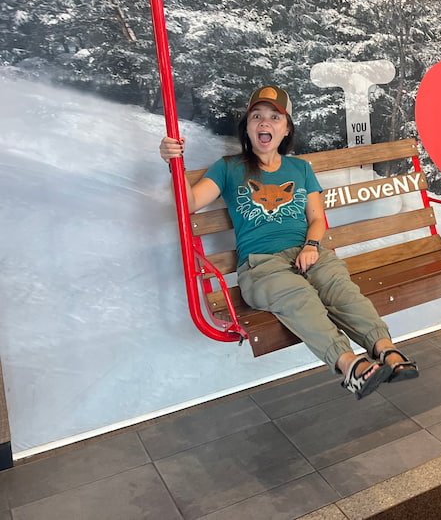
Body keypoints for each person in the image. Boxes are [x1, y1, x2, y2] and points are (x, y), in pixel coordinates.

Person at [159, 85, 418, 399]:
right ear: (247, 127)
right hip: (261, 266)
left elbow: (317, 219)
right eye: (256, 116)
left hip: (308, 253)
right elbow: (188, 204)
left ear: (286, 129)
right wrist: (174, 164)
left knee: (340, 289)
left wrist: (311, 246)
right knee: (299, 296)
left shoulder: (300, 169)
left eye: (274, 117)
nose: (264, 123)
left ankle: (386, 349)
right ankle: (349, 365)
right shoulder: (228, 168)